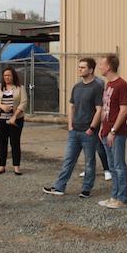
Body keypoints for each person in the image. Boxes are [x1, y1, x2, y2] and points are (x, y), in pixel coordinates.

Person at [43, 58, 103, 198]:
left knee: (89, 162)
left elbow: (99, 109)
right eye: (79, 67)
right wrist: (70, 125)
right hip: (74, 131)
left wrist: (92, 128)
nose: (80, 69)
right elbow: (72, 106)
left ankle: (86, 189)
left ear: (91, 70)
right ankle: (59, 187)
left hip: (88, 132)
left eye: (83, 67)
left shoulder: (97, 87)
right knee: (68, 160)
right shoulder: (77, 87)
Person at [97, 54, 127, 209]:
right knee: (111, 166)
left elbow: (123, 111)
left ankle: (122, 198)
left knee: (118, 165)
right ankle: (114, 195)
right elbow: (106, 109)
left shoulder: (121, 85)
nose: (99, 66)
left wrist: (113, 130)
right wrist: (102, 128)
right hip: (105, 131)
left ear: (109, 66)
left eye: (101, 64)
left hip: (116, 133)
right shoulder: (108, 84)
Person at [0, 67, 28, 175]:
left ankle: (16, 167)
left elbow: (23, 103)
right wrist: (1, 106)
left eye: (9, 75)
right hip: (0, 120)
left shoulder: (20, 88)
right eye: (5, 75)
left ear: (13, 76)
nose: (7, 77)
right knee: (2, 143)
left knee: (15, 143)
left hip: (16, 120)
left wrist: (14, 116)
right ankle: (2, 166)